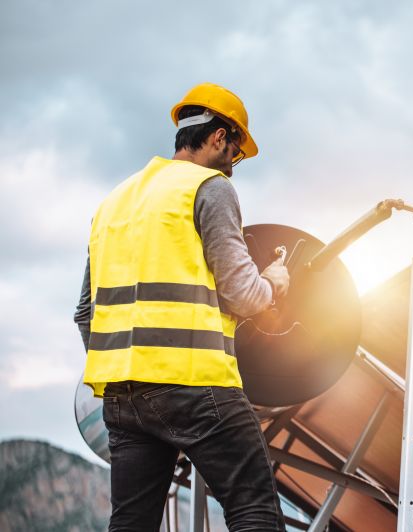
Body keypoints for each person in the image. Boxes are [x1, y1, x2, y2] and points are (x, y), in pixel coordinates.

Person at [74, 82, 288, 531]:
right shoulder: (209, 188)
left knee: (131, 523)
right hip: (196, 385)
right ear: (217, 137)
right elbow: (243, 295)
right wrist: (274, 282)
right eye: (236, 151)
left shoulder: (113, 202)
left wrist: (126, 367)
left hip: (121, 396)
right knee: (254, 510)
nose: (234, 165)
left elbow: (84, 313)